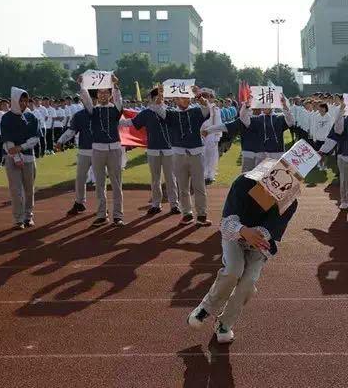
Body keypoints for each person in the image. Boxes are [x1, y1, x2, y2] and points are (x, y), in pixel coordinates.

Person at [186, 158, 300, 344]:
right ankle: (205, 308)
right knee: (233, 270)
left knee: (249, 282)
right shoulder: (242, 183)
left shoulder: (289, 202)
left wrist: (258, 235)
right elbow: (227, 223)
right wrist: (243, 231)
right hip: (235, 234)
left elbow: (271, 230)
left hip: (260, 242)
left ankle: (225, 323)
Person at [153, 85, 212, 226]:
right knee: (183, 187)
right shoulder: (171, 113)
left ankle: (202, 215)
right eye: (181, 97)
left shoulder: (196, 111)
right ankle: (187, 214)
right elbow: (158, 108)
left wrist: (199, 96)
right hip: (179, 154)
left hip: (196, 153)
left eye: (186, 97)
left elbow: (206, 109)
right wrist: (160, 95)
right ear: (175, 99)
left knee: (199, 186)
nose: (185, 100)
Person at [78, 74, 125, 227]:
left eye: (106, 92)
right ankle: (101, 214)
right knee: (99, 184)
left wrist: (116, 85)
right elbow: (85, 99)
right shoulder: (93, 110)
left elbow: (119, 100)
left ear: (110, 94)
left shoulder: (116, 109)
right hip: (97, 150)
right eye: (100, 92)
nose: (103, 95)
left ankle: (118, 215)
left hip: (114, 149)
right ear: (97, 95)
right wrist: (82, 85)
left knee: (116, 184)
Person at [126, 87, 180, 216]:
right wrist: (117, 123)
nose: (158, 99)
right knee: (155, 179)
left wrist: (158, 106)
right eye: (155, 96)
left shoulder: (170, 111)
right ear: (150, 98)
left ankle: (174, 204)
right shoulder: (146, 113)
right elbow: (133, 123)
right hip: (153, 149)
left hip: (168, 149)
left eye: (161, 96)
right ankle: (156, 204)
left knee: (170, 178)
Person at [0, 87, 41, 230]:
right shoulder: (6, 118)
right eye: (20, 100)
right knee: (16, 189)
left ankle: (28, 216)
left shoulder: (32, 117)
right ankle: (18, 219)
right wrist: (16, 156)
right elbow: (8, 142)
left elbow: (35, 138)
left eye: (25, 100)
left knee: (29, 189)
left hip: (29, 157)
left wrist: (21, 147)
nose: (23, 103)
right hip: (12, 158)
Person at [56, 101, 95, 216]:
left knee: (100, 180)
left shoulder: (101, 113)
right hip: (84, 150)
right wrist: (60, 140)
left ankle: (102, 206)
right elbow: (71, 131)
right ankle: (79, 202)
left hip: (99, 150)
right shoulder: (79, 115)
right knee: (80, 178)